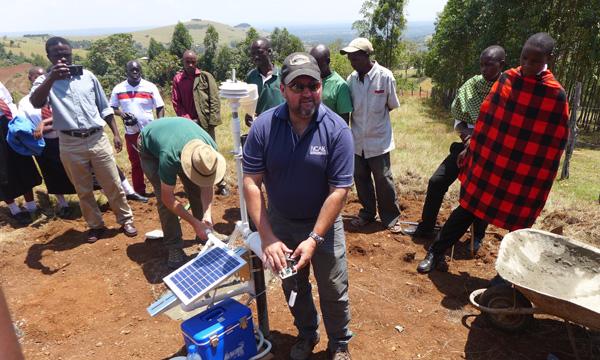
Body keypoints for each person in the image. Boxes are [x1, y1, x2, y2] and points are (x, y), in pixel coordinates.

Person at [417, 33, 569, 274]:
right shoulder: (508, 79)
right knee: (468, 207)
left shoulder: (555, 94)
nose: (528, 65)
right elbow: (488, 120)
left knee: (519, 225)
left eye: (535, 61)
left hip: (524, 172)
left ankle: (509, 277)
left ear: (549, 59)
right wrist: (471, 148)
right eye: (524, 58)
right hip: (492, 162)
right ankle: (436, 253)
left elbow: (552, 143)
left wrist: (540, 179)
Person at [243, 52, 354, 360]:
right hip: (281, 223)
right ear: (283, 89)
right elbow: (251, 182)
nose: (307, 93)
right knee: (292, 285)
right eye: (298, 86)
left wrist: (316, 238)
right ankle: (307, 333)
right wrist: (267, 236)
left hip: (324, 225)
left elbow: (340, 190)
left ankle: (339, 343)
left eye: (313, 85)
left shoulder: (337, 130)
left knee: (333, 286)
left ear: (321, 86)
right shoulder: (264, 127)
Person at [30, 36, 137, 242]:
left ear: (72, 53)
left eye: (66, 54)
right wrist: (52, 78)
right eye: (57, 55)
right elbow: (36, 102)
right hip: (70, 142)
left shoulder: (87, 76)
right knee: (83, 188)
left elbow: (104, 107)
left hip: (97, 138)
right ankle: (96, 225)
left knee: (112, 183)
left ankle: (125, 220)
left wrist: (115, 133)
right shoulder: (44, 81)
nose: (63, 59)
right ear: (49, 57)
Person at [405, 46, 506, 254]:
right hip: (465, 147)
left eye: (490, 64)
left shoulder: (508, 90)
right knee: (436, 181)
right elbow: (459, 122)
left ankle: (477, 235)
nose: (484, 69)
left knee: (477, 195)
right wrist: (468, 137)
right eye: (482, 64)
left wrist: (480, 137)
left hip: (492, 153)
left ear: (501, 65)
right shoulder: (471, 86)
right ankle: (426, 226)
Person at [138, 117, 226, 269]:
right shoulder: (169, 157)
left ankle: (205, 233)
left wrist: (206, 215)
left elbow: (206, 185)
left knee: (196, 188)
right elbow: (168, 198)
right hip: (150, 149)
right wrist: (193, 223)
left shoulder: (209, 150)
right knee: (163, 200)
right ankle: (174, 246)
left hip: (177, 138)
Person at [341, 37, 404, 234]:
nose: (352, 62)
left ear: (367, 55)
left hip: (379, 141)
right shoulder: (351, 80)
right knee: (361, 179)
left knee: (383, 180)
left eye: (355, 58)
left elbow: (391, 105)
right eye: (350, 58)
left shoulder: (385, 77)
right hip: (357, 140)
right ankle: (367, 212)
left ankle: (391, 217)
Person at [19, 66, 77, 218]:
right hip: (43, 143)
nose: (40, 77)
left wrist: (45, 125)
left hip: (65, 137)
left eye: (43, 75)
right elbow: (24, 123)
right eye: (36, 76)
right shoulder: (25, 102)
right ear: (30, 78)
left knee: (77, 168)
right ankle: (63, 204)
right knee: (52, 173)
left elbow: (66, 113)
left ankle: (91, 198)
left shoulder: (56, 93)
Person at [171, 50, 228, 196]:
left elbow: (214, 100)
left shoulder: (205, 77)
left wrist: (212, 122)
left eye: (193, 61)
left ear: (197, 62)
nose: (190, 64)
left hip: (206, 123)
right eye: (187, 61)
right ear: (182, 61)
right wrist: (188, 120)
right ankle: (197, 183)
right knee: (191, 153)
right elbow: (177, 103)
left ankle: (221, 183)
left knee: (212, 151)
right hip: (188, 124)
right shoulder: (178, 80)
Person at [110, 60, 165, 200]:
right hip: (131, 132)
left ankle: (162, 190)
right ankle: (140, 191)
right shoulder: (118, 88)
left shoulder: (150, 86)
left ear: (141, 70)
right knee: (136, 162)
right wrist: (122, 114)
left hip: (150, 132)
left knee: (157, 160)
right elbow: (112, 107)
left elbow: (160, 106)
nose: (135, 72)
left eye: (137, 69)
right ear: (126, 71)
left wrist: (159, 125)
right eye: (132, 70)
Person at [0, 80, 42, 225]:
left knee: (23, 163)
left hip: (10, 126)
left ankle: (31, 206)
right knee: (2, 172)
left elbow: (9, 102)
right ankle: (15, 211)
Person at [244, 38, 285, 127]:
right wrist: (248, 115)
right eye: (253, 54)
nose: (256, 57)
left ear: (269, 52)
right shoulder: (251, 77)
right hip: (260, 127)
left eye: (259, 52)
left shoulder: (282, 75)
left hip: (282, 126)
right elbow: (250, 102)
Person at [309, 44, 353, 123]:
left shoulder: (340, 85)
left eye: (318, 64)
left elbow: (344, 120)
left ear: (328, 61)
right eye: (312, 65)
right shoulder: (308, 81)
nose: (315, 68)